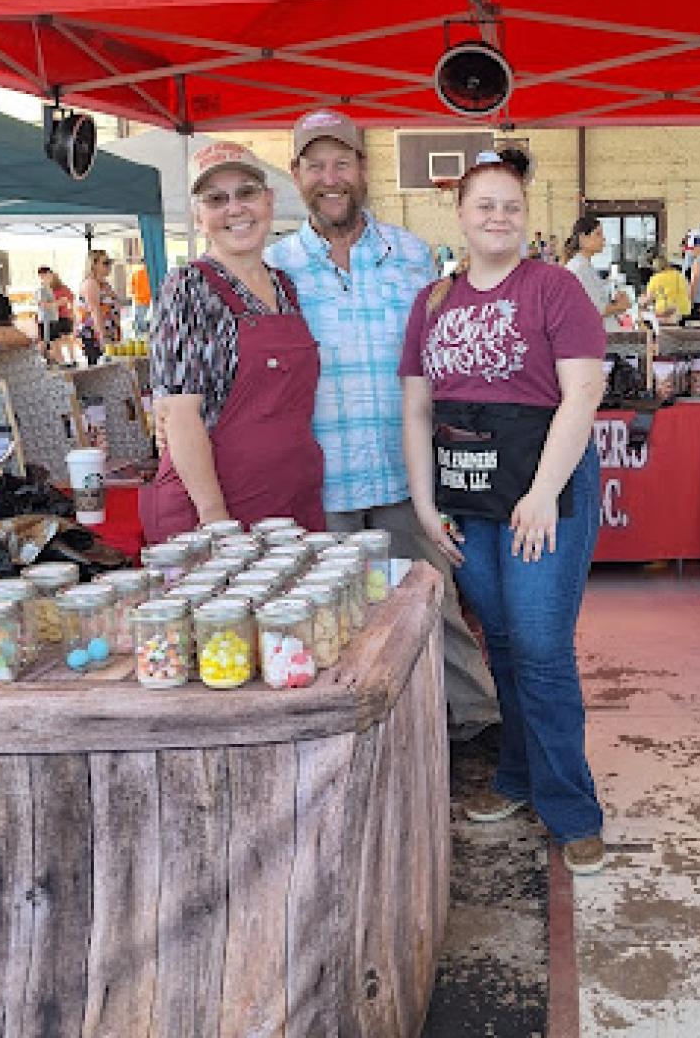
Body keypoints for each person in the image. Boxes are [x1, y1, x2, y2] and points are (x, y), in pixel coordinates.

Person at [400, 153, 608, 876]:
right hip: (469, 495)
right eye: (484, 205)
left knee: (543, 649)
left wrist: (544, 494)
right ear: (458, 215)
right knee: (507, 649)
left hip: (543, 491)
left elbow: (581, 396)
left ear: (527, 216)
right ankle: (521, 777)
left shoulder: (555, 289)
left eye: (511, 206)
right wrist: (425, 503)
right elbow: (418, 408)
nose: (498, 217)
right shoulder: (432, 302)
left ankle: (572, 810)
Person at [266, 110, 500, 744]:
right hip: (322, 479)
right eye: (315, 165)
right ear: (296, 176)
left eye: (342, 162)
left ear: (363, 170)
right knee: (330, 621)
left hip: (406, 473)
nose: (330, 177)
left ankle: (473, 729)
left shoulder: (411, 255)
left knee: (434, 606)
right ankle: (352, 736)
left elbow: (441, 356)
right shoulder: (275, 266)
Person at [141, 142, 324, 541]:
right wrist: (216, 521)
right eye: (216, 199)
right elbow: (182, 416)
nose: (235, 209)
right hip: (219, 515)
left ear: (269, 201)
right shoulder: (188, 288)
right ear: (198, 217)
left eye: (246, 193)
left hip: (289, 503)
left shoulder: (284, 287)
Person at [563, 214, 631, 332]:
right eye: (598, 234)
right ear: (583, 238)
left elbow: (596, 301)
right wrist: (620, 306)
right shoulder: (579, 269)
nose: (603, 239)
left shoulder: (586, 267)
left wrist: (614, 302)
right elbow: (595, 310)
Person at [76, 247, 121, 365]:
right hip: (94, 336)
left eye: (110, 262)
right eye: (105, 263)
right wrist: (103, 337)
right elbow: (95, 311)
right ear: (94, 264)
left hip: (109, 333)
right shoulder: (90, 283)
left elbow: (112, 308)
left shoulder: (105, 284)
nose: (109, 266)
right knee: (100, 370)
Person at [36, 266, 76, 362]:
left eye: (47, 275)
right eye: (42, 276)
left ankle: (71, 359)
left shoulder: (62, 288)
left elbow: (71, 300)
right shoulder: (43, 289)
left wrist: (71, 312)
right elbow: (42, 305)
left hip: (62, 316)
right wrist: (58, 303)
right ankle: (59, 360)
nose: (45, 277)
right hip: (52, 318)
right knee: (53, 341)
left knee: (64, 339)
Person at [639, 253, 691, 321]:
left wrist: (641, 301)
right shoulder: (680, 276)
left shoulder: (655, 279)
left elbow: (648, 299)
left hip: (666, 313)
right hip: (684, 311)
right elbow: (688, 291)